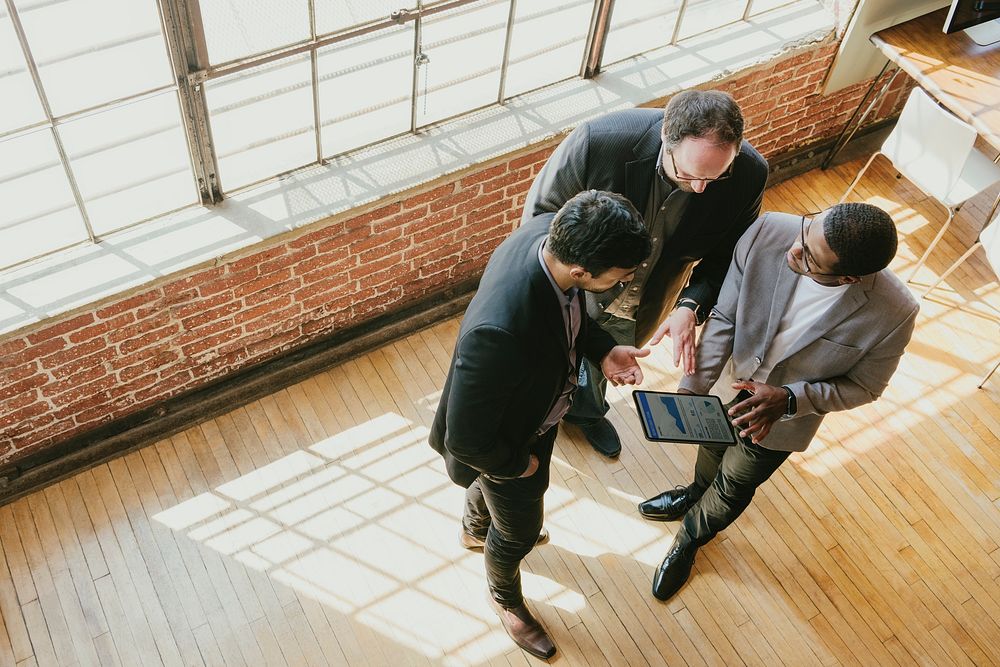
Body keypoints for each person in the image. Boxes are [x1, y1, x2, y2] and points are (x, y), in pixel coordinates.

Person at [637, 202, 919, 601]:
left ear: (850, 278)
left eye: (809, 258)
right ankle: (694, 492)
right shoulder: (769, 230)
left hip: (780, 423)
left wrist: (790, 400)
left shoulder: (895, 312)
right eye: (807, 230)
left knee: (734, 483)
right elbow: (726, 317)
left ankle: (690, 538)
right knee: (710, 452)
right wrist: (692, 391)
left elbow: (866, 387)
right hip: (726, 391)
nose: (794, 249)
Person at [429, 190, 652, 659]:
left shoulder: (548, 234)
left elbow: (569, 318)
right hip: (512, 441)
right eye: (620, 276)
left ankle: (474, 527)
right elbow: (467, 439)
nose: (626, 281)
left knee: (494, 505)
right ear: (581, 271)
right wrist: (520, 465)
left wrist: (604, 349)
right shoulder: (500, 332)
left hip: (536, 412)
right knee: (519, 534)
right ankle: (504, 597)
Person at [522, 89, 768, 457]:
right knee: (549, 361)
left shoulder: (748, 174)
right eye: (688, 174)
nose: (700, 189)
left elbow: (728, 257)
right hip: (575, 289)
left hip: (650, 297)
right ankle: (539, 416)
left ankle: (587, 414)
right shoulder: (598, 142)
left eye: (715, 178)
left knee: (609, 358)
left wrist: (689, 305)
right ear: (666, 138)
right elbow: (540, 221)